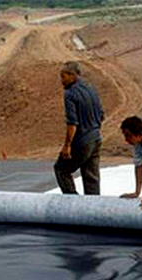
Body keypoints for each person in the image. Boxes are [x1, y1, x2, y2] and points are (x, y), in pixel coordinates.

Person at [54, 61, 104, 195]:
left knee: (61, 170)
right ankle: (92, 209)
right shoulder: (91, 89)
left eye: (63, 77)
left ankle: (72, 204)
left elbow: (72, 123)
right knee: (91, 177)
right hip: (96, 139)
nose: (61, 81)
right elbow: (101, 115)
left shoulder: (70, 94)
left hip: (82, 141)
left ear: (72, 75)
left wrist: (67, 146)